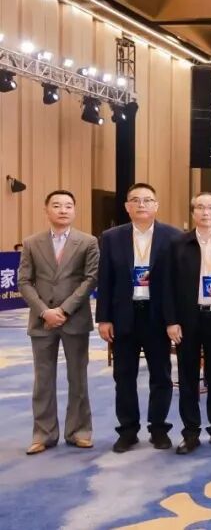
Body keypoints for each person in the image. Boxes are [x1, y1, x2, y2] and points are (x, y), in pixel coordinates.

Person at [97, 182, 182, 453]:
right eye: (135, 200)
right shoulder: (111, 237)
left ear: (156, 205)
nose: (141, 204)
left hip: (157, 317)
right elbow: (105, 279)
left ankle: (159, 429)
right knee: (124, 377)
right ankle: (128, 431)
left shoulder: (174, 236)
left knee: (161, 376)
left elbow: (177, 283)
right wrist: (103, 318)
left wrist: (173, 319)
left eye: (147, 200)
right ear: (127, 206)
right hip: (124, 316)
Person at [17, 190, 99, 455]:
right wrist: (45, 312)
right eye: (57, 205)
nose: (63, 210)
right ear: (46, 210)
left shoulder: (88, 242)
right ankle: (43, 434)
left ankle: (79, 431)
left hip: (75, 318)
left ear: (74, 210)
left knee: (78, 378)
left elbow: (91, 279)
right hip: (42, 321)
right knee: (43, 380)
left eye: (68, 206)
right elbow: (24, 281)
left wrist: (63, 310)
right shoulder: (31, 243)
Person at [164, 192, 211, 454]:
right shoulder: (177, 244)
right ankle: (190, 432)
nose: (205, 212)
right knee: (187, 376)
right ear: (193, 212)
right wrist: (171, 320)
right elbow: (167, 285)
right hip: (187, 318)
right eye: (200, 207)